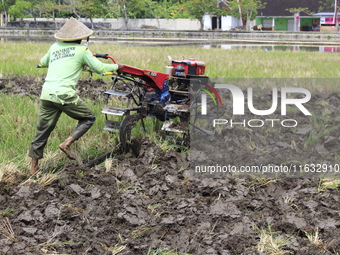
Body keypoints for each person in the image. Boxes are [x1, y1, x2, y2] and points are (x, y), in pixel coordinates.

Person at [29, 17, 123, 175]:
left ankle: (34, 168)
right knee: (89, 118)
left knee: (42, 130)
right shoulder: (82, 51)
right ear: (81, 38)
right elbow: (99, 67)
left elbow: (43, 62)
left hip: (47, 94)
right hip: (64, 95)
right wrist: (118, 66)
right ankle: (66, 143)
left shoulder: (54, 47)